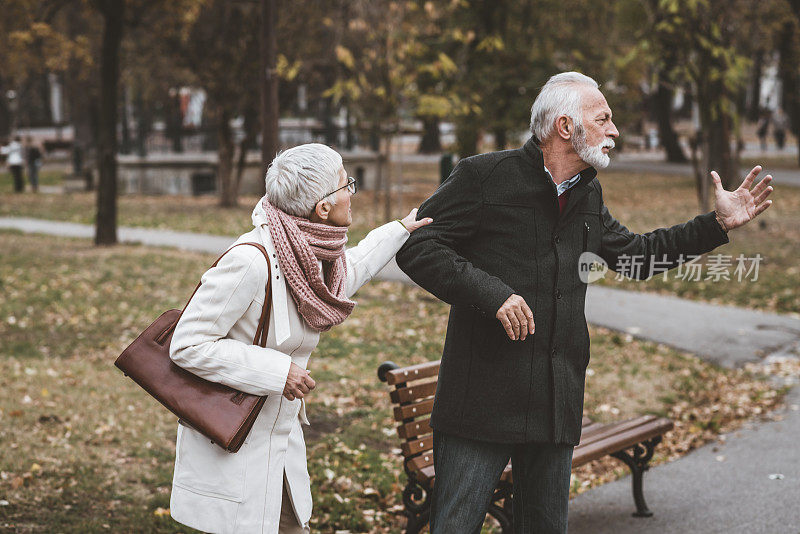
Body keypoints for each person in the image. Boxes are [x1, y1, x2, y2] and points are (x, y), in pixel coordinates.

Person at [396, 71, 774, 534]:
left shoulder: (587, 193)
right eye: (604, 119)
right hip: (481, 403)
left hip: (555, 402)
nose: (615, 131)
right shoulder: (483, 177)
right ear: (565, 127)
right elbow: (417, 246)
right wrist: (492, 295)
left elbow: (638, 257)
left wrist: (716, 224)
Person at [167, 143, 432, 534]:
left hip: (278, 442)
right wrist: (279, 372)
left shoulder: (307, 254)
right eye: (347, 185)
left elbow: (345, 276)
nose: (351, 193)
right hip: (233, 439)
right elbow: (187, 344)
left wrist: (398, 231)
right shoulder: (251, 260)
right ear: (322, 207)